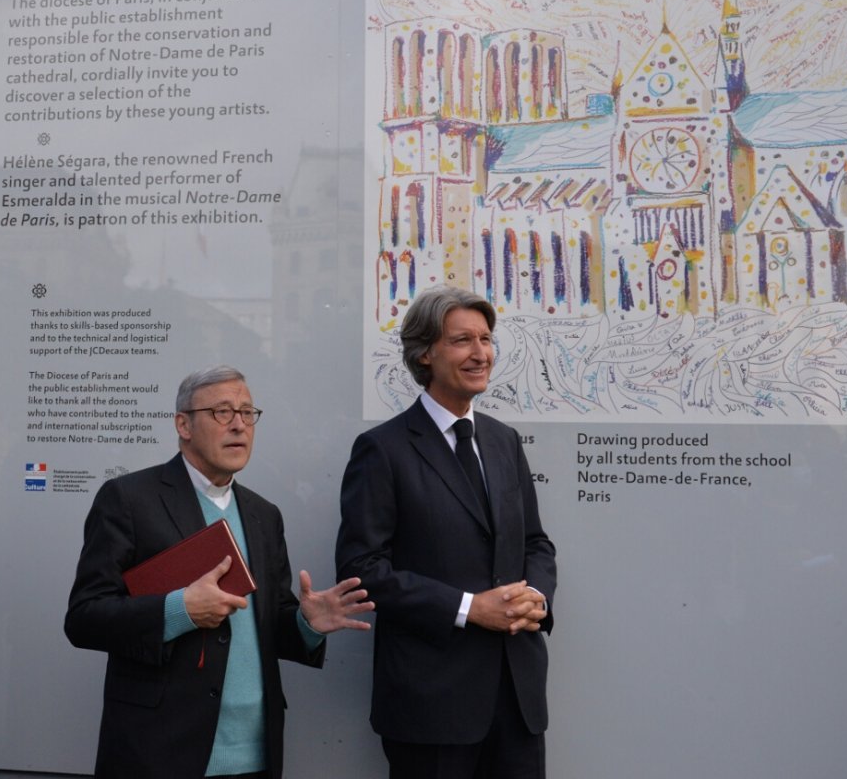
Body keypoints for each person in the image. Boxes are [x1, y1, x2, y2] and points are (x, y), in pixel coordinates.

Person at [65, 365, 373, 779]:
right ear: (183, 424)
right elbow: (85, 618)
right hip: (160, 747)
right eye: (222, 412)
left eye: (248, 413)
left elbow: (268, 627)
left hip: (254, 750)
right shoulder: (129, 500)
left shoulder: (264, 515)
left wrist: (305, 623)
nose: (239, 426)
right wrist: (181, 611)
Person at [336, 286, 556, 779]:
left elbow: (536, 543)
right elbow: (361, 570)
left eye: (486, 339)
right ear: (424, 353)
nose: (481, 353)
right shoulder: (382, 450)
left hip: (517, 698)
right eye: (462, 341)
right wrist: (468, 609)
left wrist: (537, 595)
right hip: (430, 706)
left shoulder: (503, 441)